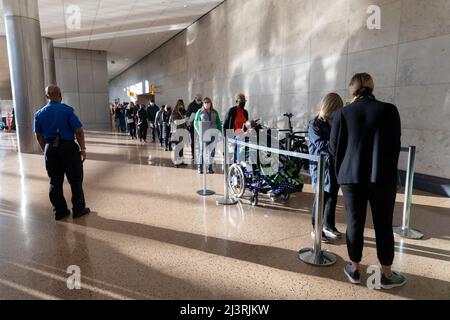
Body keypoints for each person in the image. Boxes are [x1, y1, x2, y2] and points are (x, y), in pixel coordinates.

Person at [330, 73, 405, 289]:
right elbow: (395, 143)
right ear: (371, 87)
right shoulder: (389, 110)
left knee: (354, 222)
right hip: (381, 177)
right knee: (383, 223)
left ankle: (354, 269)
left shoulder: (342, 113)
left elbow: (333, 148)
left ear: (351, 89)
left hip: (350, 177)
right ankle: (387, 274)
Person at [34, 85, 90, 221]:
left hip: (50, 149)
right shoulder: (67, 111)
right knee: (75, 179)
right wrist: (82, 149)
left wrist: (46, 151)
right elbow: (78, 131)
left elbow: (39, 136)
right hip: (68, 148)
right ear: (60, 95)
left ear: (47, 96)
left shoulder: (39, 114)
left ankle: (60, 211)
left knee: (55, 181)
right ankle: (78, 209)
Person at [308, 93, 344, 244]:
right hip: (320, 166)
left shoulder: (336, 122)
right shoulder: (315, 124)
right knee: (321, 198)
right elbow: (321, 145)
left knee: (333, 197)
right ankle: (316, 228)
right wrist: (336, 145)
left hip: (334, 165)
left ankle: (329, 225)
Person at [194, 97, 222, 174]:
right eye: (205, 102)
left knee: (212, 151)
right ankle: (200, 167)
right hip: (203, 134)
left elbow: (218, 123)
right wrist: (199, 131)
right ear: (203, 104)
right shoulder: (200, 112)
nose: (207, 104)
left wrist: (220, 132)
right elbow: (195, 123)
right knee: (202, 151)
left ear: (210, 103)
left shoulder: (214, 112)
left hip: (213, 134)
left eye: (208, 102)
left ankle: (210, 167)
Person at [223, 93, 249, 163]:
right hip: (232, 136)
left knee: (241, 154)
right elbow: (225, 124)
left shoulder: (245, 112)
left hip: (242, 136)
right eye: (241, 101)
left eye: (244, 101)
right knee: (231, 157)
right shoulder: (231, 111)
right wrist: (226, 138)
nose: (243, 102)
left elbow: (246, 125)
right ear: (237, 101)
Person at [169, 100, 188, 166]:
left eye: (182, 104)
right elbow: (176, 122)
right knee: (177, 147)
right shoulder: (174, 113)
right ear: (177, 105)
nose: (181, 106)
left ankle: (181, 161)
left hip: (183, 131)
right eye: (180, 104)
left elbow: (185, 121)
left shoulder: (182, 112)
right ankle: (176, 161)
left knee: (182, 147)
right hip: (176, 131)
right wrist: (185, 120)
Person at [186, 94, 203, 162]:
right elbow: (187, 115)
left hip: (201, 126)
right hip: (193, 125)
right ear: (195, 98)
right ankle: (193, 155)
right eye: (198, 99)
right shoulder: (191, 105)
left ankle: (200, 154)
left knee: (200, 141)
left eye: (200, 100)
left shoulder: (202, 104)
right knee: (193, 141)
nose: (199, 101)